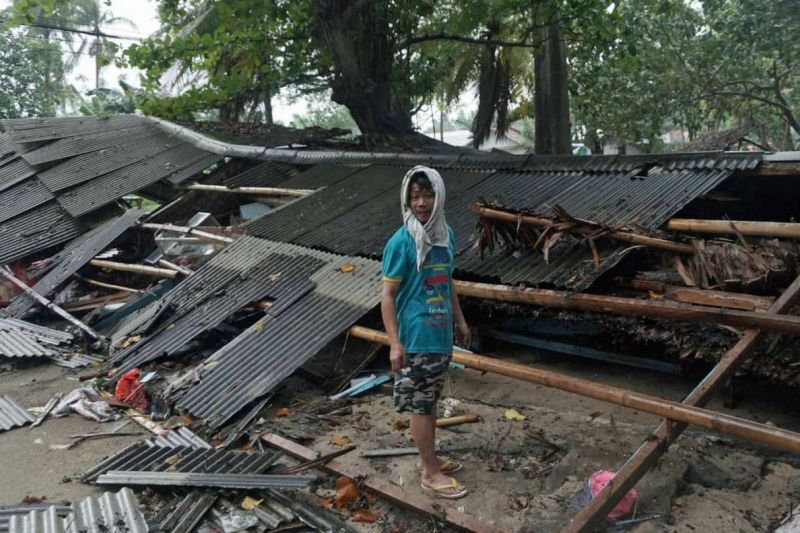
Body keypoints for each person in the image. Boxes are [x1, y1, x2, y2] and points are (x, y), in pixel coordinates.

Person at [380, 165, 471, 499]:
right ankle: (430, 473)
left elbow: (447, 283)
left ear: (439, 196)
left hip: (440, 334)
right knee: (421, 405)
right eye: (414, 196)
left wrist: (459, 322)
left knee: (430, 400)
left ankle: (427, 460)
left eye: (427, 194)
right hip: (416, 337)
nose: (421, 203)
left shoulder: (446, 236)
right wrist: (394, 343)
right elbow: (387, 296)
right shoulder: (401, 242)